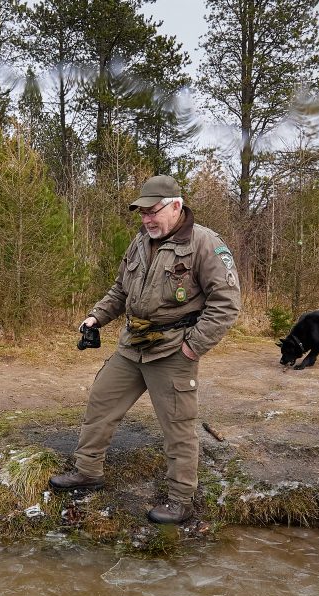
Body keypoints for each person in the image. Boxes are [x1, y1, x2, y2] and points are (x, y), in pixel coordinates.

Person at [49, 175, 241, 524]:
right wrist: (96, 318)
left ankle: (180, 500)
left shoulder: (206, 244)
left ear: (176, 206)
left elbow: (226, 305)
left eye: (153, 211)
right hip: (132, 345)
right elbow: (120, 290)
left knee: (178, 427)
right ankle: (88, 471)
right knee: (101, 401)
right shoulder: (140, 242)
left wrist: (192, 348)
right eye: (142, 213)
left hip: (172, 351)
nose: (147, 219)